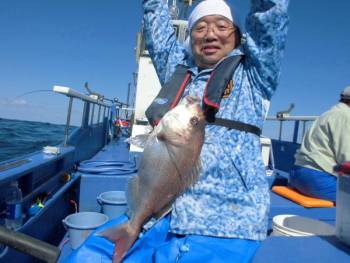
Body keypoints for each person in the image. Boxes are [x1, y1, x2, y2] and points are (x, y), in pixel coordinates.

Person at [64, 0, 289, 262]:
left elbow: (270, 13)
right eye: (200, 27)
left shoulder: (255, 76)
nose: (210, 34)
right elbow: (156, 20)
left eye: (222, 25)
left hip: (226, 223)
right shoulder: (178, 72)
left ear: (239, 36)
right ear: (190, 36)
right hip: (160, 215)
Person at [290, 86, 350, 202]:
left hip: (296, 174)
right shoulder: (346, 117)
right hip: (317, 179)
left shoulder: (327, 114)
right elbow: (347, 159)